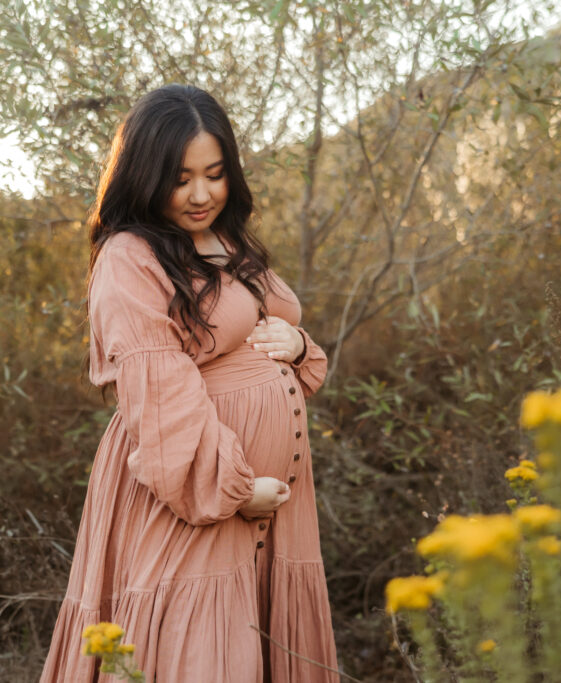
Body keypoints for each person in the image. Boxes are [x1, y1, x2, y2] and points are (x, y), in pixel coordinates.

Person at [39, 84, 339, 683]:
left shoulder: (229, 241)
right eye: (180, 179)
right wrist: (231, 488)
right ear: (147, 175)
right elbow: (158, 397)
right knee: (195, 656)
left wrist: (302, 347)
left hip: (264, 507)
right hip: (192, 498)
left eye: (215, 173)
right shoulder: (130, 257)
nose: (201, 194)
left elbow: (271, 329)